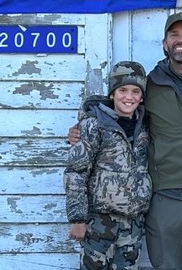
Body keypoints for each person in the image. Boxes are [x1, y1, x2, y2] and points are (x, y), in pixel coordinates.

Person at [69, 12, 182, 270]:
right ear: (165, 43)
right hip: (163, 195)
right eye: (174, 34)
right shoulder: (150, 85)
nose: (181, 40)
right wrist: (82, 125)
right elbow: (114, 110)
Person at [64, 61, 151, 269]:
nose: (128, 97)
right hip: (100, 223)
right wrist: (77, 218)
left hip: (133, 224)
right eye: (122, 90)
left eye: (135, 91)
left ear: (141, 97)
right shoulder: (94, 125)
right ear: (112, 93)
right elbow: (76, 172)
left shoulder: (146, 127)